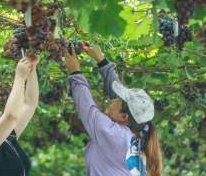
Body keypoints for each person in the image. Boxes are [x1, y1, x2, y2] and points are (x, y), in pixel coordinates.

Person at [64, 44, 162, 176]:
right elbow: (117, 96)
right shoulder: (138, 133)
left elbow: (87, 108)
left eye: (118, 100)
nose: (113, 99)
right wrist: (101, 61)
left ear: (124, 117)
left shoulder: (116, 136)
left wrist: (75, 72)